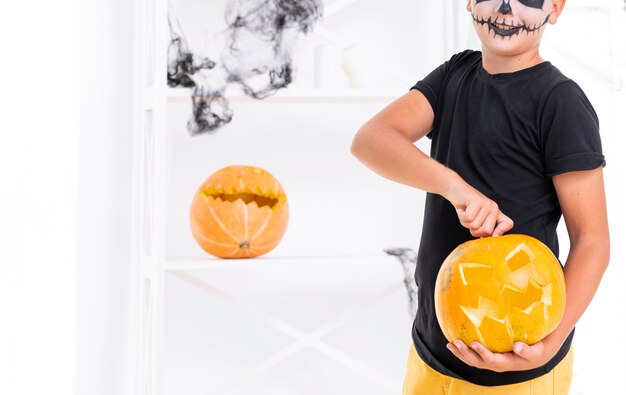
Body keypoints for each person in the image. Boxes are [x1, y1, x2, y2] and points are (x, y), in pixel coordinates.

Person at [350, 0, 610, 394]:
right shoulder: (455, 74)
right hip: (432, 351)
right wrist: (456, 189)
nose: (507, 8)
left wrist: (548, 345)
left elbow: (593, 241)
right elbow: (370, 140)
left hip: (518, 369)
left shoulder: (560, 101)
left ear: (554, 8)